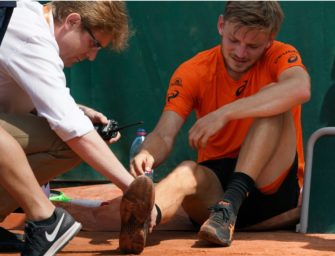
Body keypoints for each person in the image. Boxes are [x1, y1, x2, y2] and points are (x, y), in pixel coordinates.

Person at [122, 1, 311, 253]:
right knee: (186, 171)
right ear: (221, 25)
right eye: (234, 40)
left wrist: (225, 113)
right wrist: (147, 154)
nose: (241, 53)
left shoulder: (280, 54)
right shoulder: (193, 70)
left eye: (252, 45)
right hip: (214, 197)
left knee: (275, 100)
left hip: (270, 189)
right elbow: (164, 133)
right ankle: (145, 220)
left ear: (270, 39)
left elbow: (299, 88)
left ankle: (230, 206)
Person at [0, 1, 149, 255]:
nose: (92, 56)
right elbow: (70, 127)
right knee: (72, 136)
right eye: (94, 44)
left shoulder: (29, 22)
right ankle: (47, 219)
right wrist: (133, 189)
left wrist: (78, 110)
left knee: (68, 143)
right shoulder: (31, 35)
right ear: (72, 22)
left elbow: (24, 95)